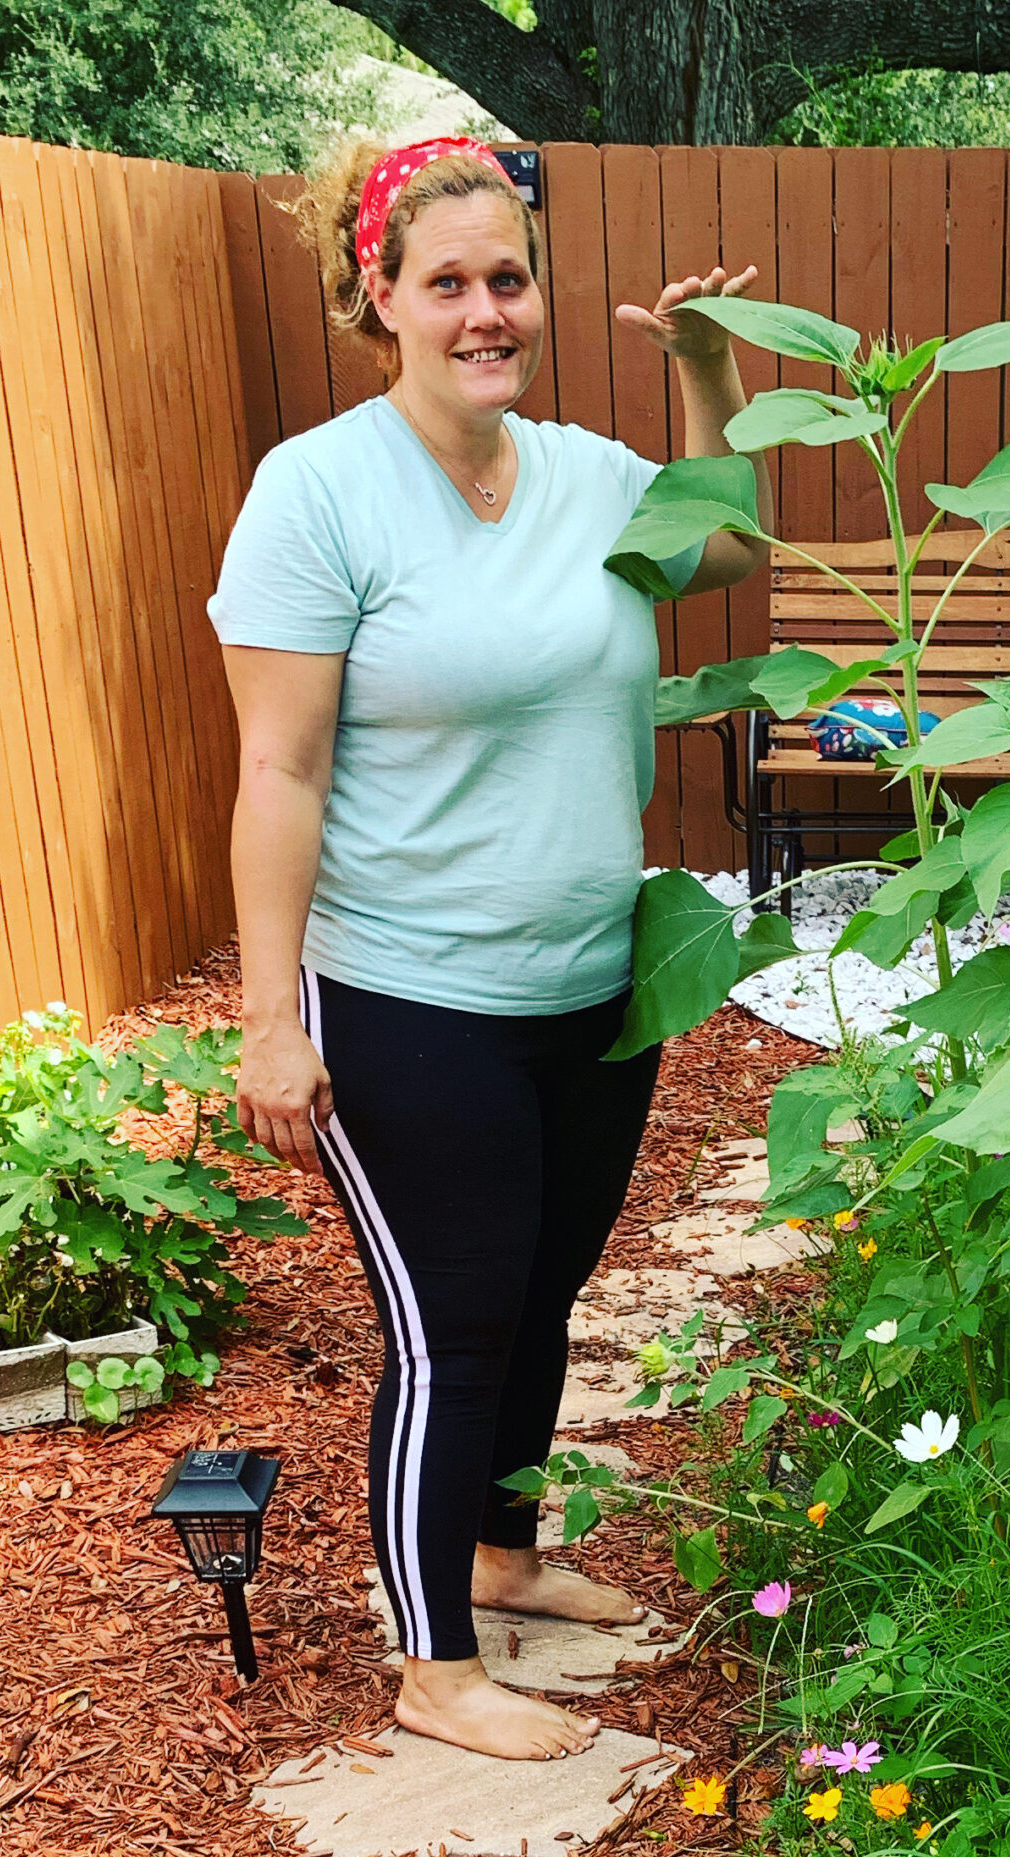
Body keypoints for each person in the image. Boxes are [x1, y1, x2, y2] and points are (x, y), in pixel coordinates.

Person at [209, 137, 770, 1761]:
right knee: (454, 1312)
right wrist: (268, 1016)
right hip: (403, 996)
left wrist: (709, 383)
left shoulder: (591, 475)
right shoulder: (317, 495)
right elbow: (279, 770)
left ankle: (503, 1552)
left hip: (588, 987)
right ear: (378, 294)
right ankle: (433, 1659)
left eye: (505, 279)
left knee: (547, 1284)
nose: (482, 313)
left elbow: (730, 555)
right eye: (444, 282)